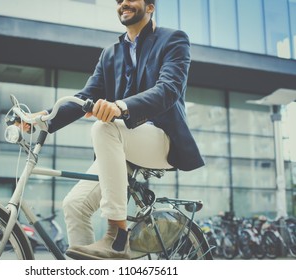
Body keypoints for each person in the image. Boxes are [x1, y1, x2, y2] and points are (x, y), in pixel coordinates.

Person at [21, 0, 204, 259]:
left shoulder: (173, 39)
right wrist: (44, 118)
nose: (123, 3)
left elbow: (168, 90)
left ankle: (116, 238)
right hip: (122, 144)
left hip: (161, 138)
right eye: (119, 1)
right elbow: (86, 96)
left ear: (150, 7)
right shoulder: (110, 54)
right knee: (74, 206)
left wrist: (121, 106)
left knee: (104, 128)